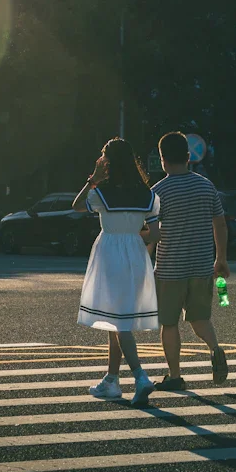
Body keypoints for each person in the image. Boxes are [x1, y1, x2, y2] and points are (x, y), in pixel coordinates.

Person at [73, 138, 162, 407]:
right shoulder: (148, 194)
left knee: (120, 322)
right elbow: (155, 233)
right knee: (117, 318)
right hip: (135, 252)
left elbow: (77, 205)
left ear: (108, 162)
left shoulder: (101, 192)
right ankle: (111, 380)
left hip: (110, 252)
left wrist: (93, 178)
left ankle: (140, 376)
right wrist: (133, 231)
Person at [150, 132, 230, 391]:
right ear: (188, 157)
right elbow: (219, 223)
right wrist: (221, 258)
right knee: (200, 319)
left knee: (169, 323)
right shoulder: (206, 186)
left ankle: (175, 376)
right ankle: (215, 350)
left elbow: (153, 234)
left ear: (162, 160)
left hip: (169, 268)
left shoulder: (158, 192)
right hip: (201, 266)